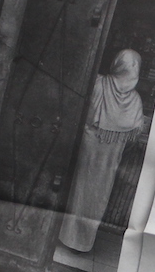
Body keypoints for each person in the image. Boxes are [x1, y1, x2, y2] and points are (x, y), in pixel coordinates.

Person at [59, 49, 144, 251]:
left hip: (88, 150)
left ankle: (65, 236)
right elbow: (136, 131)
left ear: (116, 64)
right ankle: (82, 242)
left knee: (77, 191)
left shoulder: (98, 83)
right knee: (97, 197)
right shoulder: (135, 100)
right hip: (109, 159)